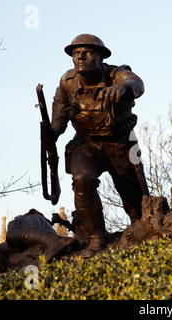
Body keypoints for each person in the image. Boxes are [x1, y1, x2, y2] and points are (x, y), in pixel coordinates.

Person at [49, 34, 147, 257]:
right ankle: (96, 239)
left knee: (136, 200)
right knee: (82, 179)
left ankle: (143, 231)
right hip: (87, 144)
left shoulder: (116, 74)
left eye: (87, 52)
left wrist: (123, 88)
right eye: (75, 53)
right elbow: (58, 121)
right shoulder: (67, 83)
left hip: (120, 143)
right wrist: (50, 132)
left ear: (101, 57)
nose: (80, 57)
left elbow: (137, 84)